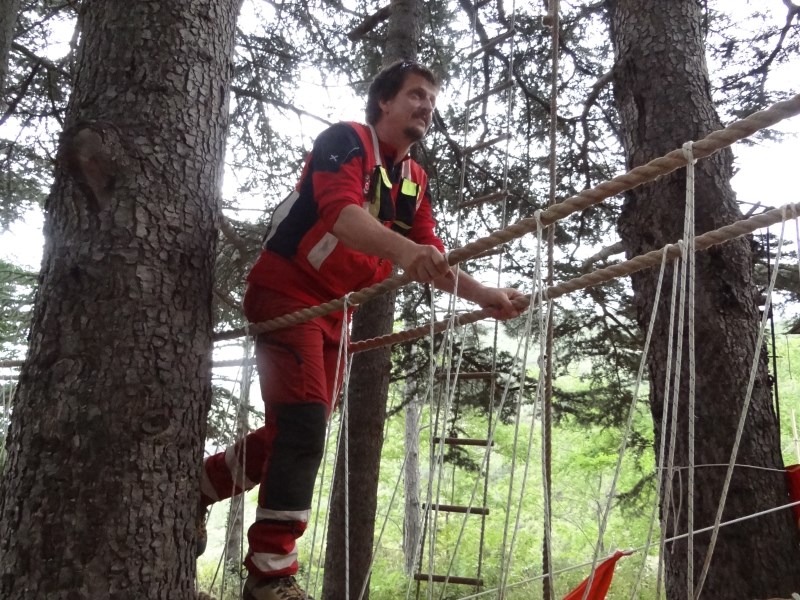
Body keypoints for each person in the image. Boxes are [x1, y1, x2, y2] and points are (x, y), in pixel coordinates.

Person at [198, 60, 525, 600]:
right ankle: (270, 572)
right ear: (384, 103)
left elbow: (430, 258)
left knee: (291, 432)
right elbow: (340, 215)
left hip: (335, 313)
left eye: (432, 100)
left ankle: (198, 486)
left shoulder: (414, 179)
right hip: (288, 295)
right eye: (416, 95)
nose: (427, 107)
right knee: (304, 427)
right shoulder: (346, 141)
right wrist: (408, 252)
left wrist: (485, 296)